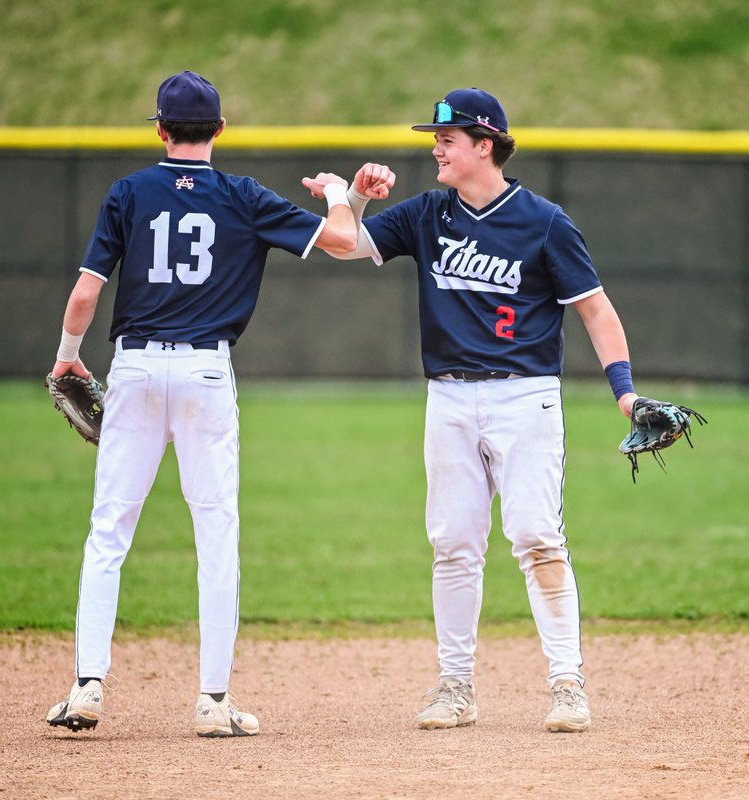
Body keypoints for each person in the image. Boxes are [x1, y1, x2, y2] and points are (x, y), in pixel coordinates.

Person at [44, 70, 372, 737]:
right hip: (204, 373)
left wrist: (67, 355)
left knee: (109, 529)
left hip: (134, 366)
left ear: (160, 129)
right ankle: (213, 702)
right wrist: (343, 195)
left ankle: (86, 688)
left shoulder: (129, 193)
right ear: (220, 129)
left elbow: (84, 294)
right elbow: (342, 243)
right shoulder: (243, 196)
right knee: (216, 531)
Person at [305, 88, 639, 733]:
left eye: (447, 138)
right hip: (449, 398)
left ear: (484, 146)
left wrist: (623, 389)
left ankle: (567, 683)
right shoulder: (429, 212)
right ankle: (455, 686)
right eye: (436, 137)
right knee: (454, 545)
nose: (436, 146)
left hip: (525, 395)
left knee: (537, 537)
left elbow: (594, 308)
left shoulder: (543, 221)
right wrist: (351, 196)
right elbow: (344, 246)